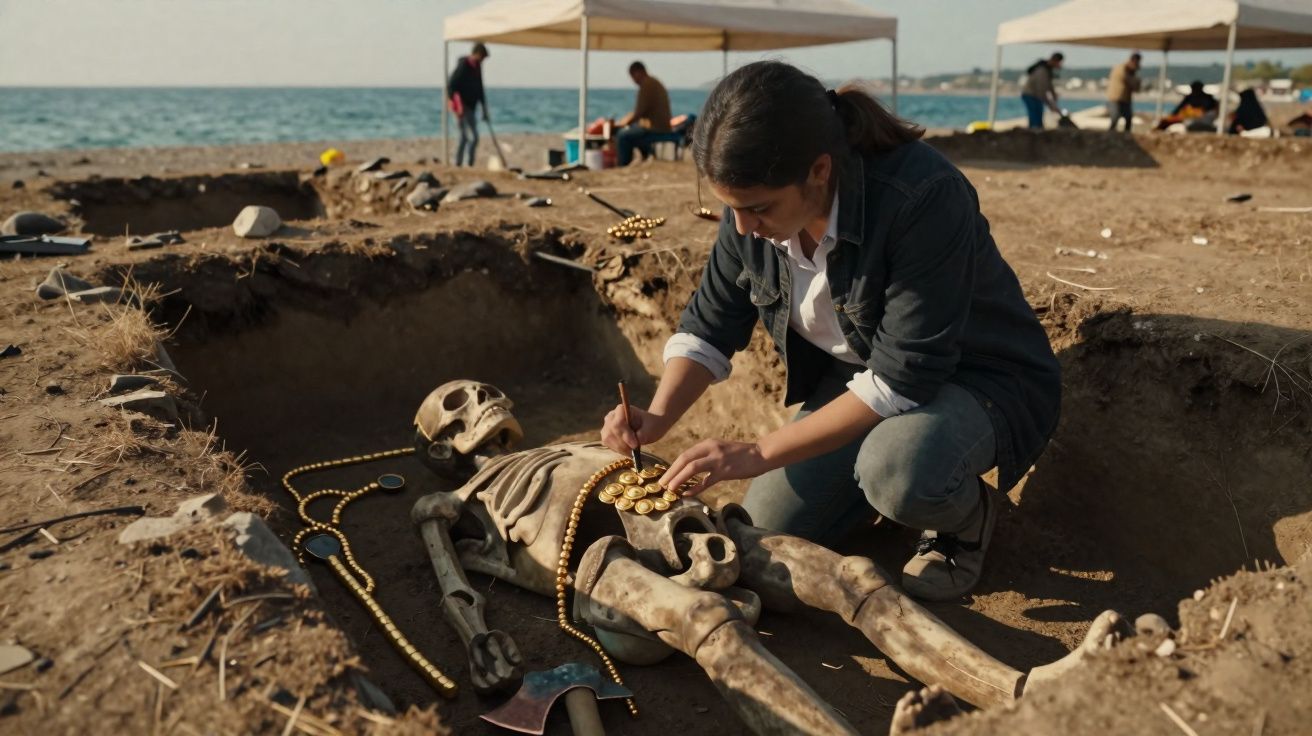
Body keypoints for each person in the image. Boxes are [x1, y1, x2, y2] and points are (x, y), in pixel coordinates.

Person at [599, 61, 1061, 601]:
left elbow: (904, 374)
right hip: (860, 382)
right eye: (733, 209)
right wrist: (657, 416)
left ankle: (963, 516)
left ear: (819, 170)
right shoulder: (751, 208)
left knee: (897, 471)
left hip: (978, 379)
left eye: (758, 209)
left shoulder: (923, 196)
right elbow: (710, 323)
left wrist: (759, 451)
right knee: (766, 535)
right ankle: (874, 494)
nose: (743, 227)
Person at [613, 61, 672, 166]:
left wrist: (623, 124)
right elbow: (641, 111)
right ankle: (644, 157)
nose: (633, 80)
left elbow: (639, 113)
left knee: (622, 136)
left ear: (639, 72)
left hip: (656, 128)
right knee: (631, 130)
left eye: (632, 76)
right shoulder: (653, 82)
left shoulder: (647, 85)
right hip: (662, 126)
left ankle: (622, 165)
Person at [447, 42, 489, 167]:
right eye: (482, 57)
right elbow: (451, 86)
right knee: (464, 136)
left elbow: (480, 89)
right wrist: (457, 104)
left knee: (474, 137)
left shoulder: (477, 67)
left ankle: (469, 163)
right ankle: (457, 163)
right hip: (460, 106)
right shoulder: (464, 65)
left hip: (471, 106)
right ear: (477, 54)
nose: (482, 61)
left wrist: (484, 108)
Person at [1021, 52, 1063, 130]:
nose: (1060, 65)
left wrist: (1053, 98)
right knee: (1036, 118)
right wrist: (1051, 105)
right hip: (1030, 95)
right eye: (1059, 63)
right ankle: (1035, 132)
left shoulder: (1047, 70)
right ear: (1056, 61)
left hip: (1034, 95)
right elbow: (1042, 90)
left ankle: (1035, 131)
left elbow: (1049, 87)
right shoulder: (1042, 71)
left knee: (1037, 117)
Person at [1107, 52, 1142, 132]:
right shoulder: (1121, 69)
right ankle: (1111, 134)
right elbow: (1128, 80)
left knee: (1128, 118)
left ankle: (1126, 135)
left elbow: (1136, 88)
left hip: (1125, 100)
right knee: (1115, 117)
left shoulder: (1130, 72)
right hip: (1115, 98)